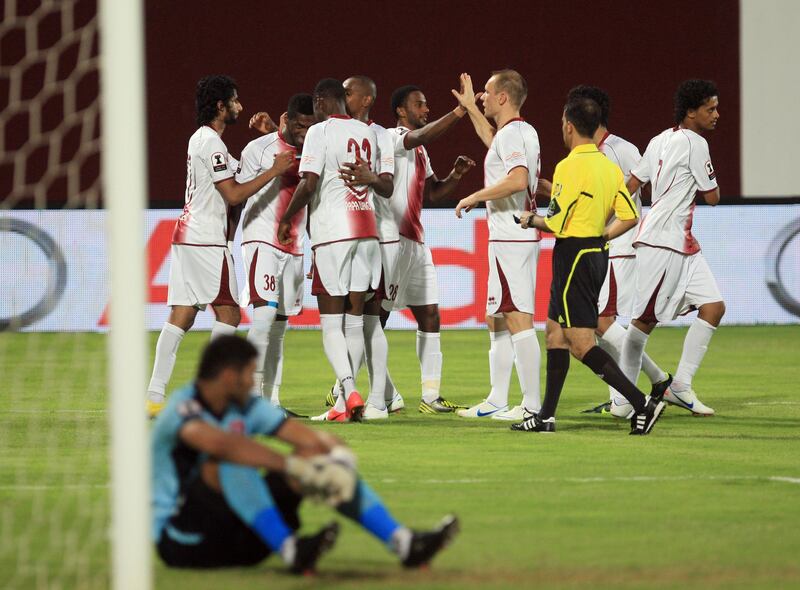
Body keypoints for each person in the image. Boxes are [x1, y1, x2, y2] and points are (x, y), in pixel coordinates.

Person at [152, 335, 459, 573]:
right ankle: (291, 550)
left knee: (311, 457)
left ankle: (404, 543)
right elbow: (224, 446)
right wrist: (294, 466)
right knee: (233, 459)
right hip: (185, 539)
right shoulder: (183, 407)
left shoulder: (244, 404)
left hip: (242, 538)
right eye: (249, 373)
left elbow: (314, 440)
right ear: (230, 376)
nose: (253, 381)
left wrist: (336, 459)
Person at [146, 75, 295, 418]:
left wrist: (272, 135)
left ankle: (154, 396)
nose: (240, 107)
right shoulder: (210, 142)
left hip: (190, 235)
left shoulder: (207, 142)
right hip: (208, 240)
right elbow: (234, 194)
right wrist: (273, 170)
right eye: (235, 101)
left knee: (181, 316)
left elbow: (239, 177)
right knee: (229, 314)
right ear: (220, 106)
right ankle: (206, 393)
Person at [515, 97, 665, 435]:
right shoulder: (608, 167)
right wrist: (603, 234)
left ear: (569, 124)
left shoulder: (568, 166)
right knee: (554, 334)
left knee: (581, 343)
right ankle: (546, 417)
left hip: (574, 256)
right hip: (595, 253)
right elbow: (630, 215)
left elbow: (556, 222)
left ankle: (642, 403)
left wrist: (530, 219)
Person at [277, 78, 387, 422]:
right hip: (367, 232)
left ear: (322, 101)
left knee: (330, 323)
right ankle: (343, 405)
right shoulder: (368, 132)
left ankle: (349, 389)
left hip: (333, 234)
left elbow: (309, 183)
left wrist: (287, 216)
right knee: (355, 322)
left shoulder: (320, 132)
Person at [563, 85, 672, 419]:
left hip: (618, 246)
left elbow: (631, 195)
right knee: (599, 323)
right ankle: (650, 384)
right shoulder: (591, 152)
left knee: (600, 321)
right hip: (606, 246)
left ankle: (644, 389)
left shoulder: (620, 149)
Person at [619, 80, 724, 416]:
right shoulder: (696, 144)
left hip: (682, 241)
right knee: (641, 323)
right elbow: (713, 198)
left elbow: (632, 184)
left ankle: (679, 386)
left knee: (713, 307)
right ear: (691, 112)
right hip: (663, 242)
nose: (716, 115)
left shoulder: (659, 139)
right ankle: (622, 401)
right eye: (710, 108)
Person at [451, 70, 543, 422]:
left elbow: (518, 179)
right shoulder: (515, 133)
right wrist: (469, 108)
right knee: (497, 317)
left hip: (512, 238)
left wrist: (474, 195)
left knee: (518, 317)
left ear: (503, 97)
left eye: (487, 93)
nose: (483, 98)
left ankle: (533, 405)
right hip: (506, 237)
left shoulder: (516, 134)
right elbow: (492, 139)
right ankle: (497, 398)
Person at [382, 84, 475, 414]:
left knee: (430, 315)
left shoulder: (420, 151)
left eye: (426, 104)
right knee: (373, 321)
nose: (426, 109)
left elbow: (432, 194)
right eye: (419, 105)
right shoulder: (391, 138)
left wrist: (456, 175)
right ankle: (344, 387)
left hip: (416, 242)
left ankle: (430, 396)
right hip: (391, 241)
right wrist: (461, 111)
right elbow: (420, 136)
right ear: (401, 112)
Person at [237, 93, 316, 414]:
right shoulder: (259, 149)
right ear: (288, 117)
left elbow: (313, 196)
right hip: (261, 239)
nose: (305, 132)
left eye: (312, 127)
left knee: (280, 327)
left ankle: (272, 401)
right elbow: (239, 190)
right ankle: (250, 397)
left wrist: (316, 247)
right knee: (263, 318)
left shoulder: (314, 152)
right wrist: (272, 168)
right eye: (300, 125)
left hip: (294, 247)